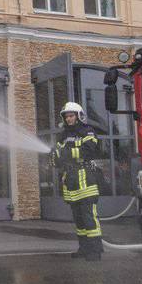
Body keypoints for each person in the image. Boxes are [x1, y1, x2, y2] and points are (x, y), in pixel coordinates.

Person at [53, 102, 103, 261]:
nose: (68, 119)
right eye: (66, 116)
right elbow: (58, 158)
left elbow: (89, 150)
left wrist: (66, 153)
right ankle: (84, 248)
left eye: (71, 115)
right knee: (79, 219)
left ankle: (95, 251)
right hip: (71, 181)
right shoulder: (62, 136)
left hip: (85, 178)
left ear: (79, 116)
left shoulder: (88, 131)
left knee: (89, 217)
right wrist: (54, 158)